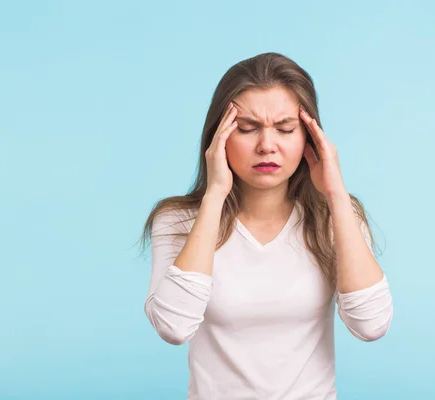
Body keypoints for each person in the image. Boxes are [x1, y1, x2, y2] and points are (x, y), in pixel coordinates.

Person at [139, 52, 393, 400]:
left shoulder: (337, 217)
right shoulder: (177, 221)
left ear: (310, 137)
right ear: (220, 137)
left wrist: (336, 195)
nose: (267, 146)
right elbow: (174, 327)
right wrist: (214, 194)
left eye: (286, 129)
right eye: (247, 129)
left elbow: (371, 325)